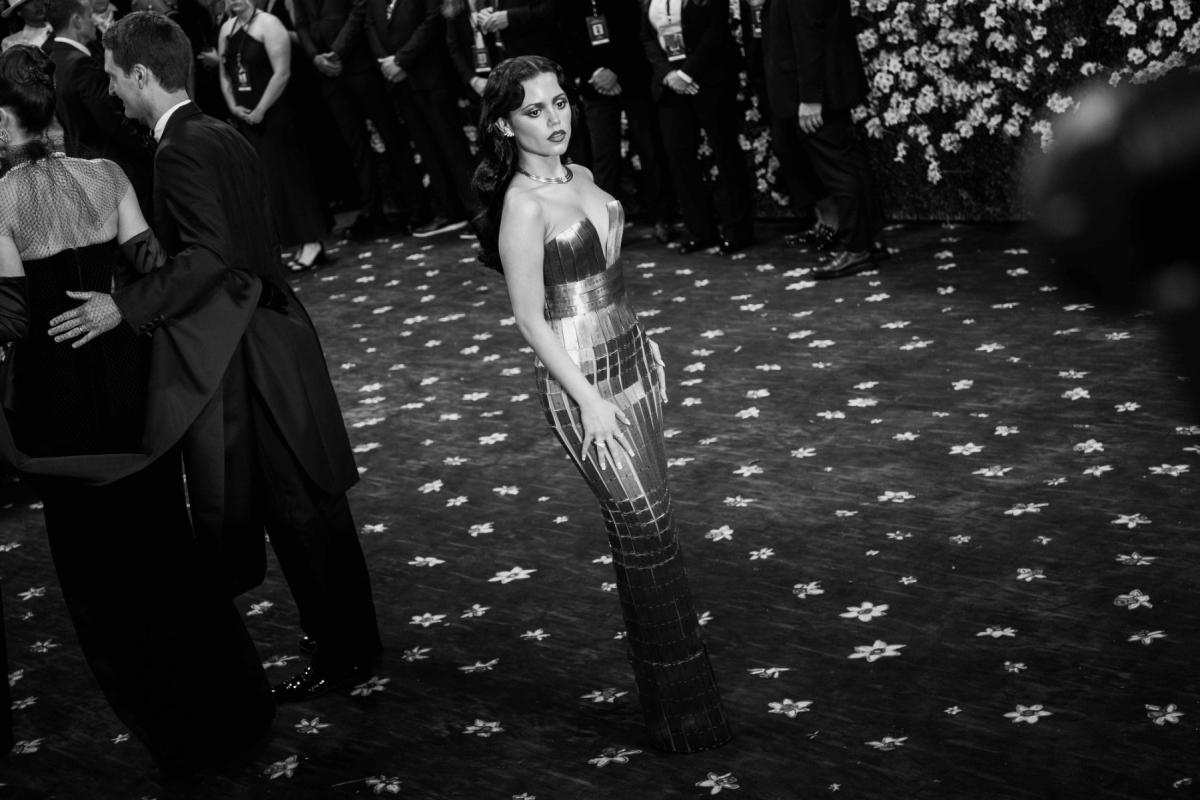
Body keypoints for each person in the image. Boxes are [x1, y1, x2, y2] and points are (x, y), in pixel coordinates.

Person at [72, 11, 382, 702]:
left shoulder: (178, 149)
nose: (112, 92)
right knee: (313, 498)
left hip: (247, 346)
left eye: (115, 77)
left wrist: (121, 306)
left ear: (142, 75)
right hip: (276, 328)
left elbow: (209, 256)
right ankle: (350, 639)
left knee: (296, 506)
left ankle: (342, 653)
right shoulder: (218, 130)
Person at [0, 43, 274, 776]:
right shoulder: (110, 174)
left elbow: (13, 317)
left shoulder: (1, 200)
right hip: (127, 379)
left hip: (58, 401)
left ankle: (176, 734)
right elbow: (154, 271)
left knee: (100, 579)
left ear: (4, 121)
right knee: (164, 547)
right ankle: (237, 710)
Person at [472, 54, 731, 753]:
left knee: (654, 531)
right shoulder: (522, 205)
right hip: (578, 382)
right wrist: (586, 399)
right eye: (534, 110)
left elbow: (609, 281)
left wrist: (645, 340)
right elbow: (530, 321)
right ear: (505, 125)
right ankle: (680, 713)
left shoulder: (582, 175)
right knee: (643, 525)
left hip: (631, 359)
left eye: (559, 102)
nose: (554, 119)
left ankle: (683, 717)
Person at [763, 0, 885, 278]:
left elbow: (809, 33)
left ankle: (858, 249)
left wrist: (810, 97)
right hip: (827, 85)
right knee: (849, 163)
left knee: (840, 169)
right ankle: (870, 240)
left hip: (817, 91)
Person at [292, 0, 428, 238]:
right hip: (327, 74)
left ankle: (416, 206)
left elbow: (360, 9)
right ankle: (371, 211)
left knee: (391, 136)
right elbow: (301, 24)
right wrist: (314, 56)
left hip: (359, 62)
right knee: (355, 145)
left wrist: (337, 50)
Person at [218, 0, 330, 269]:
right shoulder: (226, 29)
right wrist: (232, 105)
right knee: (267, 182)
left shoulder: (269, 23)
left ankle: (312, 242)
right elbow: (225, 73)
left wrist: (261, 109)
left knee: (290, 177)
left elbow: (282, 73)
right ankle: (293, 240)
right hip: (246, 116)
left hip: (275, 114)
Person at [642, 0, 754, 255]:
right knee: (680, 160)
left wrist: (686, 74)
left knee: (726, 153)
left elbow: (715, 32)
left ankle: (739, 231)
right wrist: (668, 74)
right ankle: (700, 231)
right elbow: (648, 38)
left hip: (709, 80)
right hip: (669, 86)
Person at [563, 0, 675, 244]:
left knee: (650, 149)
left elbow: (635, 34)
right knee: (604, 158)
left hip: (633, 79)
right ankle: (606, 225)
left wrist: (615, 72)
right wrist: (595, 73)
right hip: (594, 86)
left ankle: (662, 217)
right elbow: (567, 39)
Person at [365, 0, 472, 238]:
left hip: (429, 73)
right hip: (399, 81)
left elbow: (432, 21)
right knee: (427, 149)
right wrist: (386, 62)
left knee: (452, 145)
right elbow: (370, 25)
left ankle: (476, 211)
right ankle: (447, 211)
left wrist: (401, 60)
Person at [42, 0, 154, 222]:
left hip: (82, 167)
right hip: (114, 170)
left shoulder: (52, 59)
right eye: (89, 15)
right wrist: (148, 150)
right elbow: (113, 121)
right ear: (76, 20)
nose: (94, 21)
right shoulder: (80, 65)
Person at [741, 0, 837, 250]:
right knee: (787, 149)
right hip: (768, 71)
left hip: (795, 74)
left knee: (810, 147)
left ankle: (834, 221)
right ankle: (821, 219)